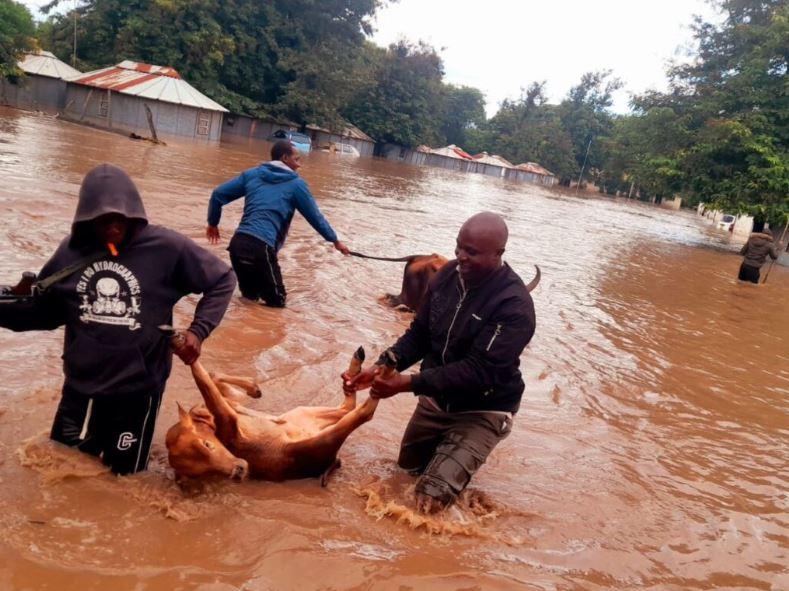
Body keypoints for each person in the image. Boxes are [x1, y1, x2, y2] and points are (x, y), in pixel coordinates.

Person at [0, 164, 236, 475]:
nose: (112, 226)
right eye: (102, 220)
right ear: (86, 219)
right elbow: (45, 312)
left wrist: (198, 331)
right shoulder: (71, 254)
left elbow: (222, 279)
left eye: (118, 217)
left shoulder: (167, 248)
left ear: (133, 213)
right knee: (59, 466)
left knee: (123, 477)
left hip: (138, 390)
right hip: (81, 387)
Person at [343, 212, 536, 513]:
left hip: (482, 409)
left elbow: (479, 371)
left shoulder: (514, 305)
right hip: (434, 402)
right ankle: (454, 473)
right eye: (459, 247)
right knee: (403, 477)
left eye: (471, 252)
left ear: (498, 254)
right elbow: (420, 334)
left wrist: (407, 383)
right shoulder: (446, 277)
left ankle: (455, 475)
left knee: (428, 501)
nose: (461, 257)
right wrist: (384, 365)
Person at [206, 139, 350, 307]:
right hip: (262, 248)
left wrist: (213, 223)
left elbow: (217, 194)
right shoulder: (297, 184)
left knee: (248, 300)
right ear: (284, 158)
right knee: (277, 304)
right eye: (297, 159)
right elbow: (315, 218)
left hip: (238, 244)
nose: (299, 165)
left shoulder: (252, 174)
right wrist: (335, 241)